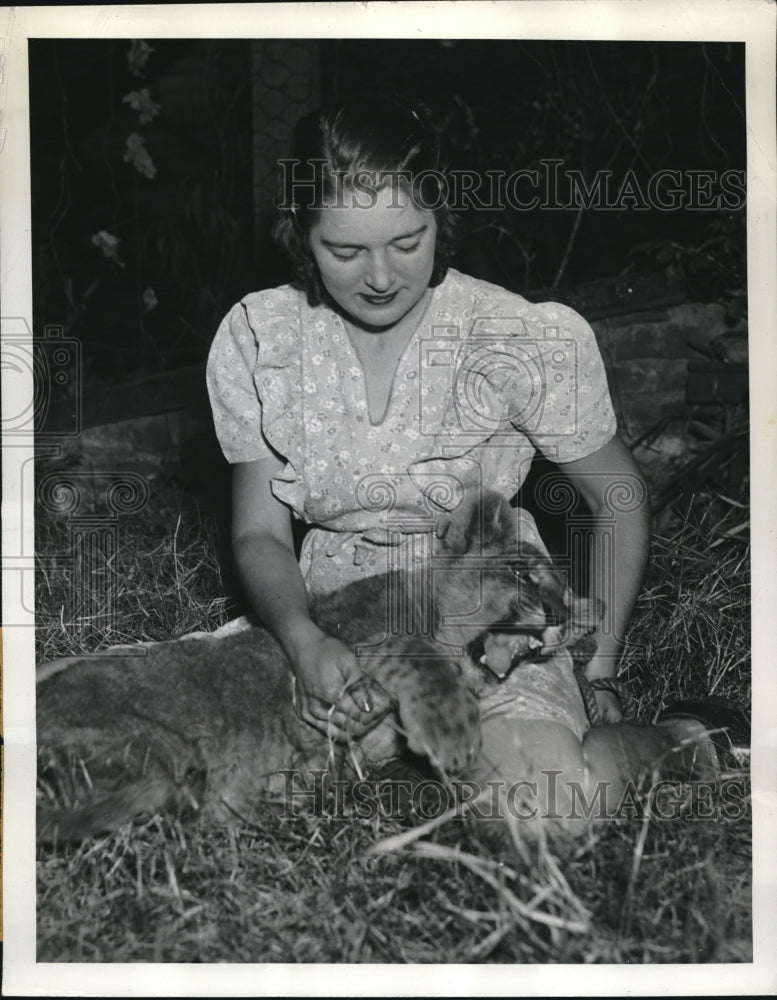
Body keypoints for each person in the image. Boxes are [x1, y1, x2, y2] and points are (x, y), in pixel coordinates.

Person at [207, 97, 746, 827]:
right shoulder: (264, 337)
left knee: (547, 807)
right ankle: (424, 779)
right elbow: (259, 535)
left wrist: (600, 663)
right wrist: (304, 642)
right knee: (175, 776)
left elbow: (616, 496)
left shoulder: (508, 335)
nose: (378, 276)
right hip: (337, 624)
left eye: (407, 240)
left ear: (441, 217)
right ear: (301, 235)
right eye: (344, 251)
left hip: (487, 617)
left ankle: (688, 740)